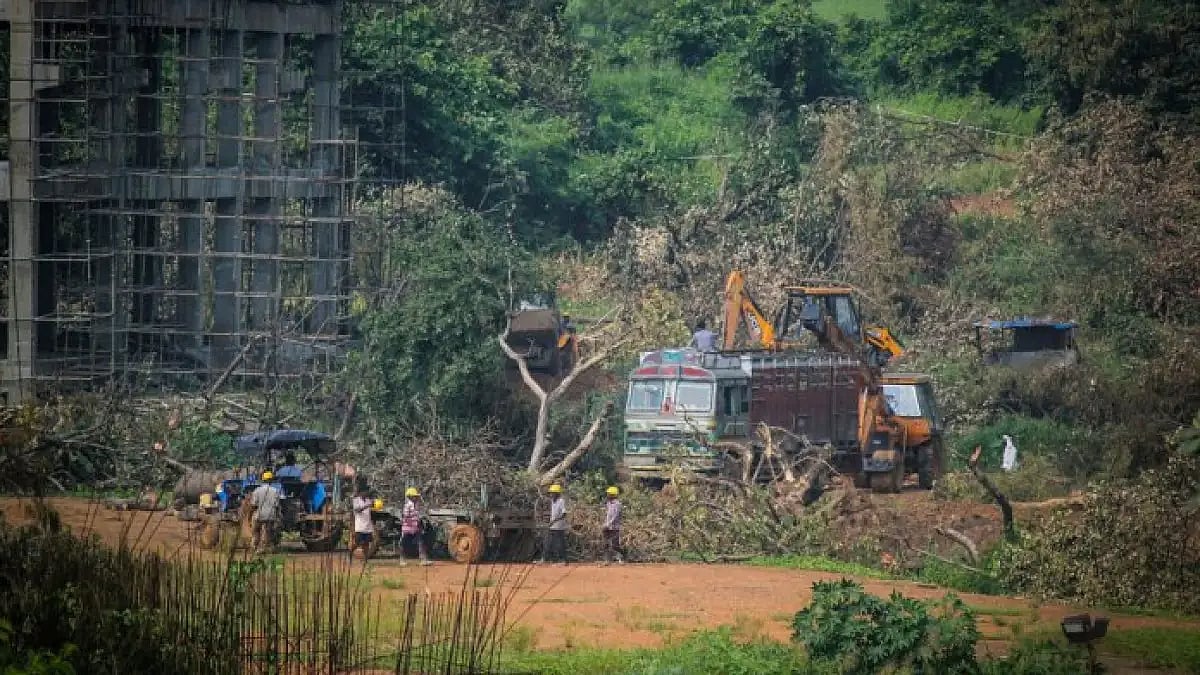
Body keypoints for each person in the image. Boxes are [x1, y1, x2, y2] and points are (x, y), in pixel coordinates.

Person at [248, 471, 281, 554]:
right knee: (268, 532)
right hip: (271, 515)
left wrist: (250, 515)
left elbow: (253, 505)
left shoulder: (257, 491)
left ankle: (255, 547)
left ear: (262, 480)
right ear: (271, 481)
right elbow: (277, 506)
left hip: (259, 515)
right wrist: (277, 517)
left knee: (256, 531)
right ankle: (267, 547)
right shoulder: (275, 491)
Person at [538, 483, 568, 565]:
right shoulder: (552, 501)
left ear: (557, 493)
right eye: (550, 493)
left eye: (552, 493)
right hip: (552, 526)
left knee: (560, 544)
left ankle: (563, 560)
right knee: (547, 542)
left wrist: (554, 520)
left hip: (559, 526)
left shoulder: (561, 501)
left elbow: (564, 514)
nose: (551, 494)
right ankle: (544, 559)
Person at [400, 487, 431, 566]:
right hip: (407, 528)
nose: (416, 497)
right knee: (404, 543)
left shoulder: (416, 505)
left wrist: (419, 521)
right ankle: (402, 560)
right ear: (410, 496)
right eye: (414, 496)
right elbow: (405, 516)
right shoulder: (407, 505)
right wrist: (412, 521)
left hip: (415, 527)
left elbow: (416, 515)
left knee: (420, 542)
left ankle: (423, 559)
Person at [348, 486, 375, 562]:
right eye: (365, 491)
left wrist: (374, 504)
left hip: (367, 526)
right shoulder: (356, 500)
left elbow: (373, 509)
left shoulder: (368, 500)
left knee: (366, 544)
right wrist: (367, 506)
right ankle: (350, 552)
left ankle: (365, 559)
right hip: (359, 526)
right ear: (361, 492)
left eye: (367, 491)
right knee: (357, 543)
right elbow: (357, 510)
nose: (367, 493)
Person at [602, 486, 624, 565]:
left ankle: (620, 559)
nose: (607, 495)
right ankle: (607, 560)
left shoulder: (618, 504)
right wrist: (605, 524)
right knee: (606, 544)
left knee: (615, 544)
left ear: (613, 495)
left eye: (609, 494)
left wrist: (608, 524)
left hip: (614, 527)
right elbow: (608, 514)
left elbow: (615, 516)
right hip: (607, 526)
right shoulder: (608, 503)